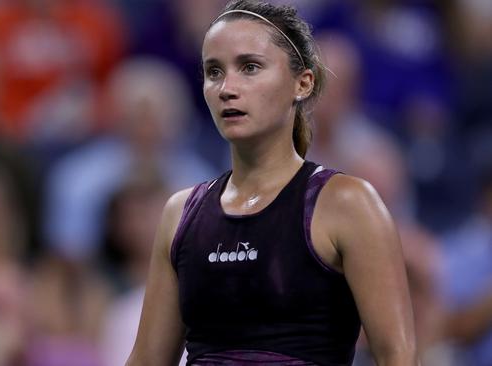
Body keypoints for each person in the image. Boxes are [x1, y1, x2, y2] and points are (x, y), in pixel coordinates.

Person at [126, 1, 417, 365]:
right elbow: (147, 360)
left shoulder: (348, 203)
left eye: (249, 67)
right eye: (214, 71)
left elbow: (398, 356)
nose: (227, 88)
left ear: (303, 82)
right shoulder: (181, 213)